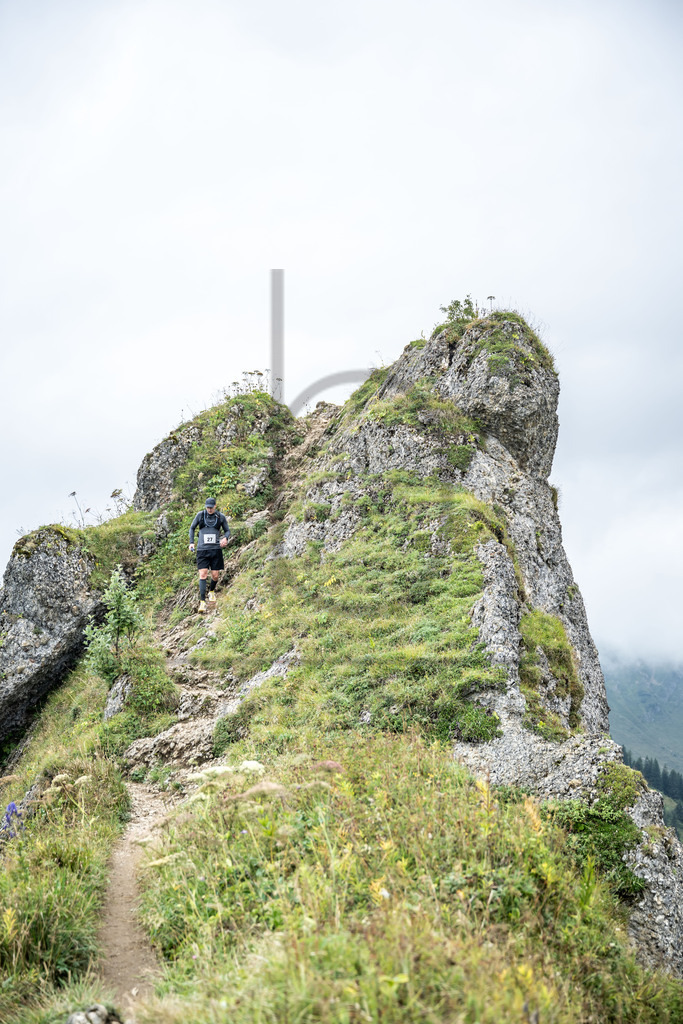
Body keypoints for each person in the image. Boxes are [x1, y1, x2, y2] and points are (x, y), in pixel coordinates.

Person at [189, 498, 230, 612]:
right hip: (202, 550)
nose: (209, 509)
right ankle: (202, 602)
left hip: (216, 550)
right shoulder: (200, 515)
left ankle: (211, 591)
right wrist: (191, 542)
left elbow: (227, 530)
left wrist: (225, 538)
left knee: (215, 575)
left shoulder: (220, 517)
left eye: (211, 507)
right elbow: (192, 528)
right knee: (203, 574)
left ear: (215, 506)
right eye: (208, 507)